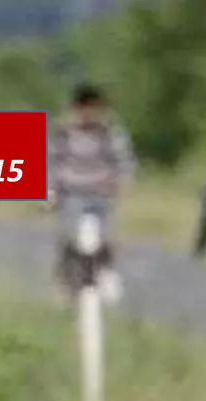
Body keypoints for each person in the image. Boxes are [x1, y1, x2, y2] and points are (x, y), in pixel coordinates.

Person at [47, 82, 137, 302]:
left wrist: (122, 183)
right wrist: (51, 190)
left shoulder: (109, 132)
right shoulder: (63, 133)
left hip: (100, 192)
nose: (88, 112)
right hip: (71, 192)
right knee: (69, 237)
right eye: (83, 107)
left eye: (93, 107)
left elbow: (122, 159)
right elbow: (52, 161)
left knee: (106, 236)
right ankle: (66, 280)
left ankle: (106, 272)